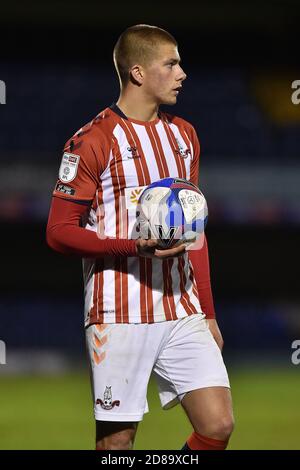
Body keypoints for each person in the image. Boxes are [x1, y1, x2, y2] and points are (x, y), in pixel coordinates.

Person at [46, 24, 234, 451]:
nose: (182, 73)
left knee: (218, 424)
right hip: (118, 312)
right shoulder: (92, 140)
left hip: (180, 307)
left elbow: (195, 233)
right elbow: (58, 233)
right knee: (117, 444)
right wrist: (135, 247)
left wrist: (207, 310)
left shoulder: (184, 136)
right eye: (171, 63)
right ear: (138, 72)